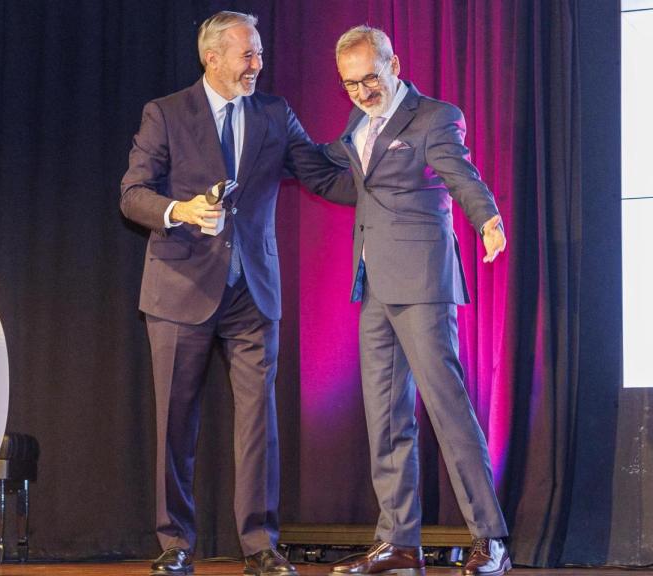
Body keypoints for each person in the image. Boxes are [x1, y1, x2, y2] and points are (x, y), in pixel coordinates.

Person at [120, 11, 355, 576]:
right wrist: (180, 211)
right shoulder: (168, 113)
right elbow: (132, 194)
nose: (258, 64)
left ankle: (260, 545)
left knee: (259, 425)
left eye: (259, 54)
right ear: (213, 58)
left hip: (254, 291)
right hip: (180, 288)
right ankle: (175, 543)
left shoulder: (275, 113)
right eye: (246, 55)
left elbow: (321, 174)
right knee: (176, 423)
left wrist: (380, 160)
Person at [325, 25, 511, 576]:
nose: (362, 91)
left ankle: (491, 540)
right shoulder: (358, 123)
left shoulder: (435, 116)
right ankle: (399, 543)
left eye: (370, 78)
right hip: (374, 284)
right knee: (385, 417)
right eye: (351, 84)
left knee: (448, 410)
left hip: (424, 283)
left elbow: (461, 174)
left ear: (395, 65)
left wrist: (487, 219)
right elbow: (349, 180)